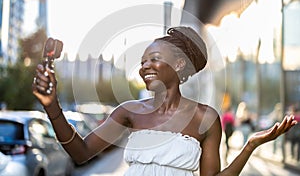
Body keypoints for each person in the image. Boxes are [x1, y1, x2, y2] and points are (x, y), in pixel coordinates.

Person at [32, 26, 297, 176]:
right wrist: (52, 106)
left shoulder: (206, 118)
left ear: (179, 64)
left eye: (154, 58)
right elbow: (81, 153)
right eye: (142, 61)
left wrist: (250, 146)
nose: (145, 66)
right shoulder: (129, 112)